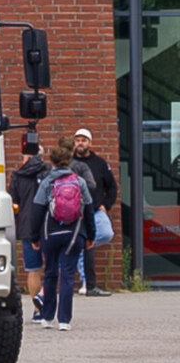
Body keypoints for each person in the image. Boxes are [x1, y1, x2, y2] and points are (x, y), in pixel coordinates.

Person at [30, 144, 96, 331]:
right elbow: (89, 211)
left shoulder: (47, 182)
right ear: (69, 161)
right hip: (74, 234)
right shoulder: (79, 182)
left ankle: (47, 317)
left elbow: (37, 211)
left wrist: (35, 237)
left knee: (50, 273)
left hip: (50, 234)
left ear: (52, 161)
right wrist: (91, 235)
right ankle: (65, 320)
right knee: (67, 275)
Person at [71, 127, 117, 296]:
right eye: (77, 140)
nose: (80, 143)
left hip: (96, 210)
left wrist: (106, 205)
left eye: (84, 140)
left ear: (90, 143)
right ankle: (85, 281)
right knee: (85, 244)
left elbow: (112, 187)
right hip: (75, 213)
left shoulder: (100, 163)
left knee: (106, 233)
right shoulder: (70, 163)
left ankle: (80, 249)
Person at [9, 142, 47, 321]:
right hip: (48, 226)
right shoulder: (49, 173)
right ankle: (44, 295)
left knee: (33, 269)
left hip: (26, 227)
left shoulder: (17, 176)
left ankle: (37, 310)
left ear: (26, 156)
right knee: (55, 266)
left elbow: (13, 204)